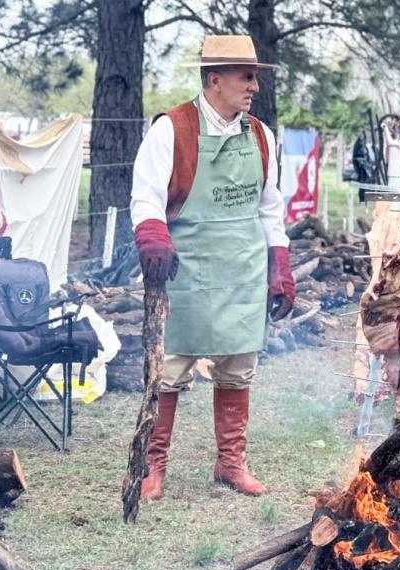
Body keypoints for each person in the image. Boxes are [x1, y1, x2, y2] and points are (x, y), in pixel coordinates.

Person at [130, 35, 295, 500]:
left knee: (239, 367)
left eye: (255, 77)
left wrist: (278, 264)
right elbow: (145, 196)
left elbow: (270, 208)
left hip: (242, 269)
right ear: (214, 79)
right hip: (187, 273)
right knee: (169, 370)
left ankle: (230, 464)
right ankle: (152, 466)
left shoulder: (261, 135)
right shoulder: (173, 129)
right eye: (247, 77)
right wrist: (153, 235)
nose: (254, 88)